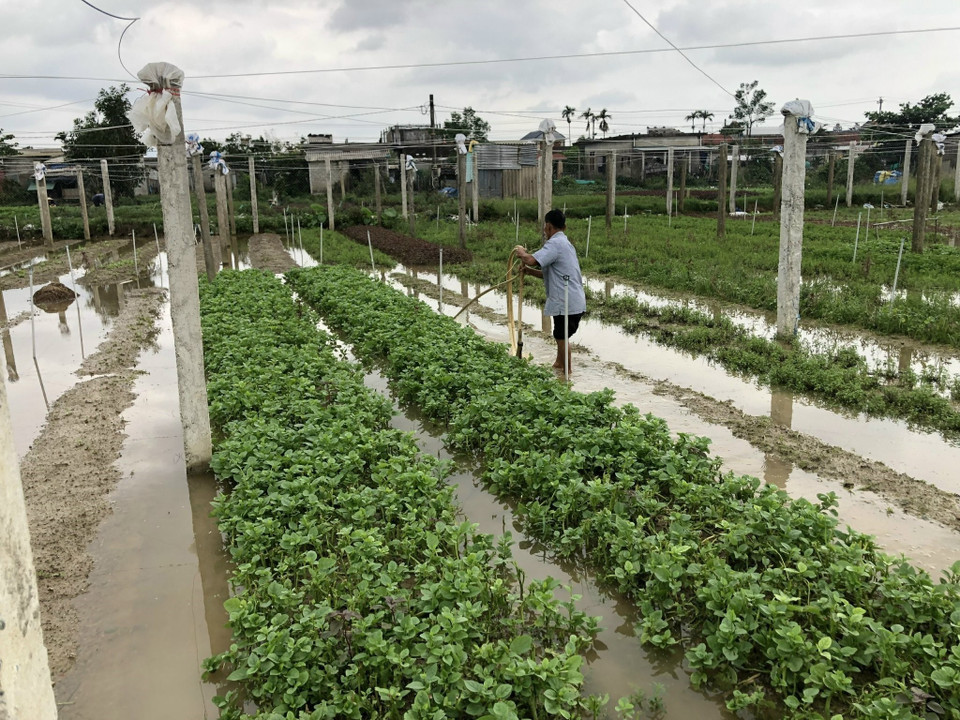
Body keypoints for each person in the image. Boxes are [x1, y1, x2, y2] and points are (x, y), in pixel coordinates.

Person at [513, 209, 586, 374]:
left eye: (545, 227)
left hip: (566, 301)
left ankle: (566, 376)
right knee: (560, 334)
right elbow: (552, 274)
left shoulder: (555, 244)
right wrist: (529, 272)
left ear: (548, 226)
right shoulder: (565, 244)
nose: (545, 230)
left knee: (561, 336)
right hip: (572, 300)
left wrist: (522, 253)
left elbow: (531, 260)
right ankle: (559, 365)